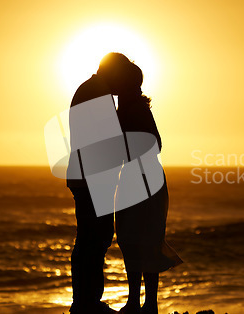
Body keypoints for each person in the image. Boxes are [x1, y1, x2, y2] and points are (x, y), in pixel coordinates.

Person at [97, 53, 183, 314]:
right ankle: (143, 302)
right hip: (143, 177)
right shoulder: (131, 106)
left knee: (137, 237)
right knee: (138, 238)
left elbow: (153, 144)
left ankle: (141, 302)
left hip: (142, 178)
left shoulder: (132, 107)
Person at [66, 72, 117, 314]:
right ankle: (87, 302)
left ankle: (86, 300)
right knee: (93, 239)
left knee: (92, 238)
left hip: (86, 176)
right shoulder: (97, 93)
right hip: (91, 178)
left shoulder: (91, 89)